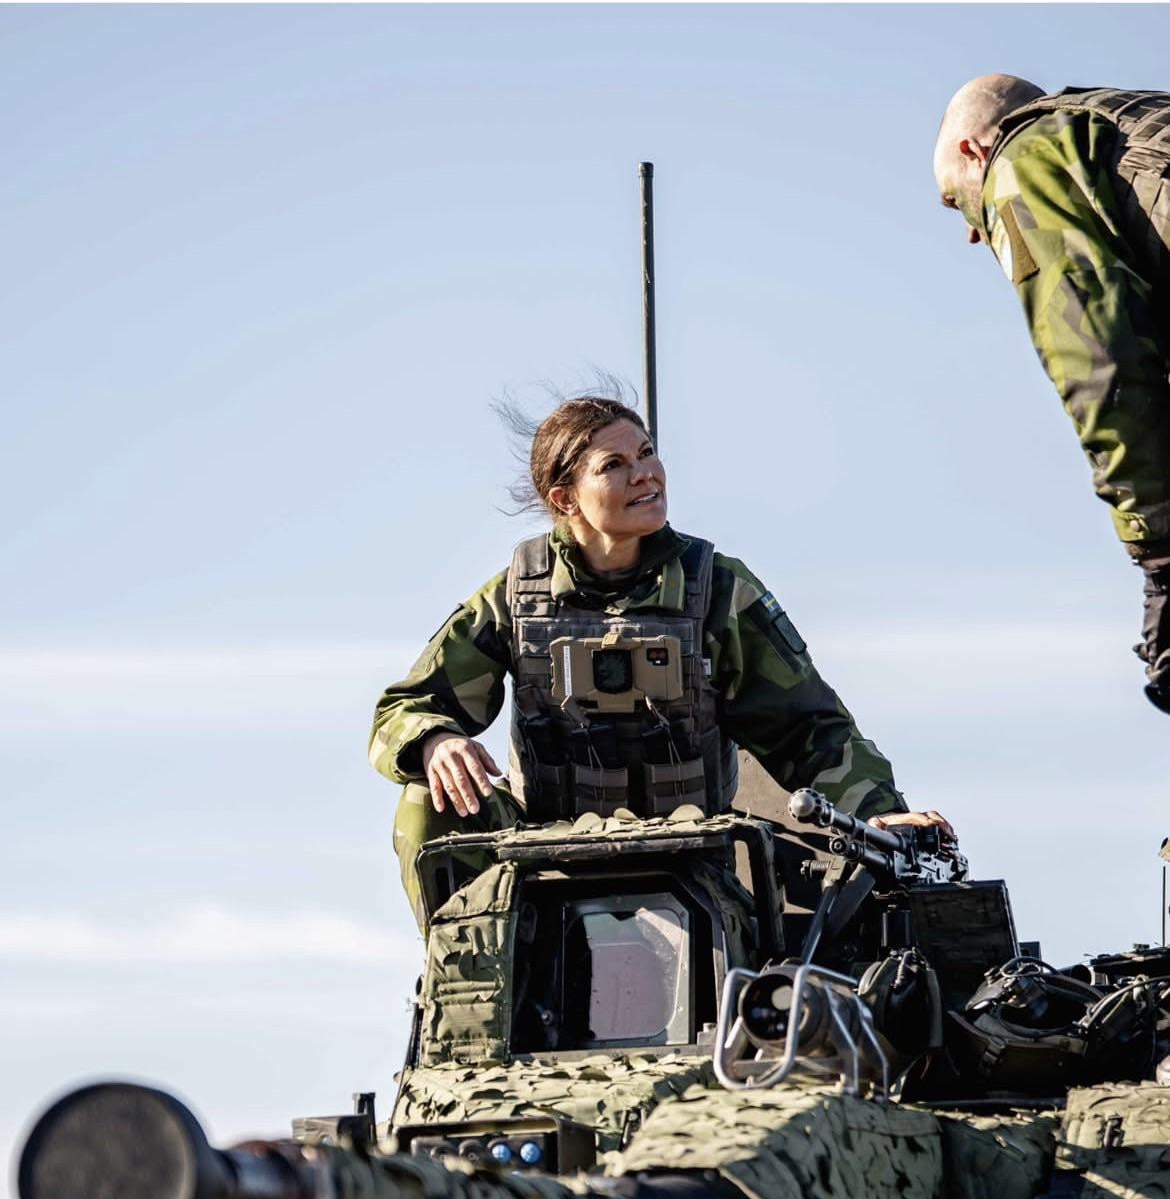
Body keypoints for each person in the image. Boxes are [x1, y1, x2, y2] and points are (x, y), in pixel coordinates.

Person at [369, 394, 952, 928]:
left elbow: (810, 729)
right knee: (424, 799)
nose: (644, 473)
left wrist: (881, 814)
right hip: (548, 865)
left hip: (694, 868)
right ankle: (471, 970)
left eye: (647, 453)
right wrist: (434, 740)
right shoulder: (516, 600)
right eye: (614, 465)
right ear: (565, 499)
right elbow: (403, 710)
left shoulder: (716, 591)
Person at [933, 75, 1170, 712]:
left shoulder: (1022, 158)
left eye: (956, 203)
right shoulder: (1131, 127)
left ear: (974, 153)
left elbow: (1100, 360)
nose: (974, 234)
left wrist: (1159, 556)